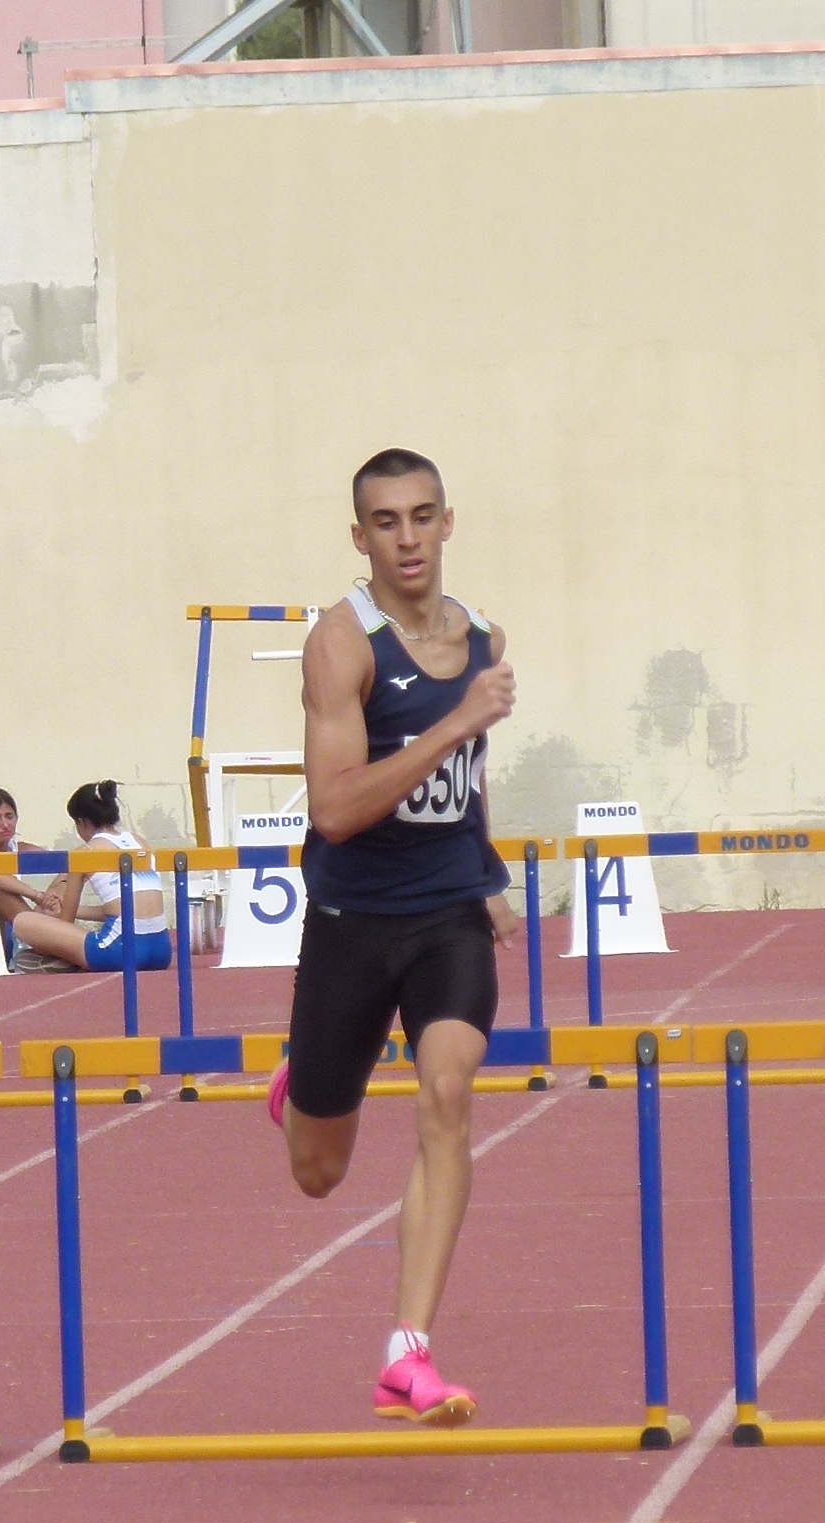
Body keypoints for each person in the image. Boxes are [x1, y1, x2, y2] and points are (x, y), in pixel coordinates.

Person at [270, 447, 521, 1429]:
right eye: (386, 522)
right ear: (360, 536)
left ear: (447, 522)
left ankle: (406, 1353)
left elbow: (469, 776)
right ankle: (302, 1082)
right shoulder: (343, 646)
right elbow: (334, 810)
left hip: (448, 911)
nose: (407, 538)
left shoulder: (485, 638)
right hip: (353, 921)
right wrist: (451, 726)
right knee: (317, 1173)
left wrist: (487, 872)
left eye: (422, 517)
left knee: (448, 1093)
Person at [7, 782, 173, 974]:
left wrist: (58, 912)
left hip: (118, 951)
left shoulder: (85, 853)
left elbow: (65, 922)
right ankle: (76, 959)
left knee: (23, 921)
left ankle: (70, 960)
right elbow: (122, 908)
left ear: (82, 822)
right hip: (161, 951)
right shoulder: (139, 842)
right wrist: (74, 910)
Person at [0, 788, 52, 962]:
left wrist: (50, 897)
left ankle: (45, 939)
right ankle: (39, 942)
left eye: (10, 817)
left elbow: (60, 862)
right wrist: (35, 895)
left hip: (17, 923)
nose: (5, 824)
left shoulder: (22, 849)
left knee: (63, 881)